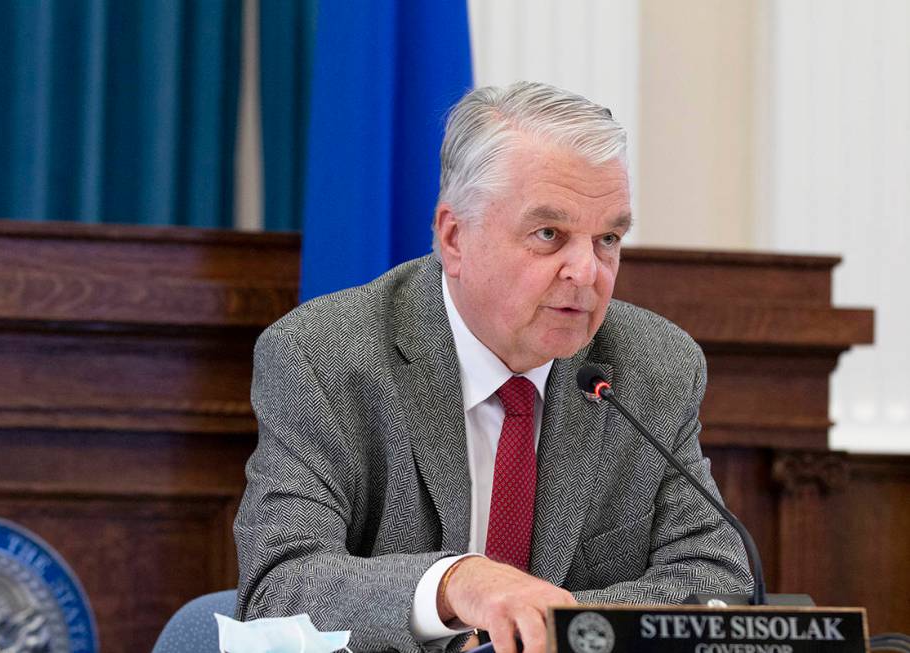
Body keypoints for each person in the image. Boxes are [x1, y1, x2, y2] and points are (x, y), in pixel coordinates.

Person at [234, 81, 751, 653]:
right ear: (455, 238)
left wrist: (558, 627)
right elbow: (279, 587)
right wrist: (456, 585)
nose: (586, 271)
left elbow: (715, 583)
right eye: (549, 235)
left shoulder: (652, 366)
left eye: (608, 238)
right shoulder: (327, 355)